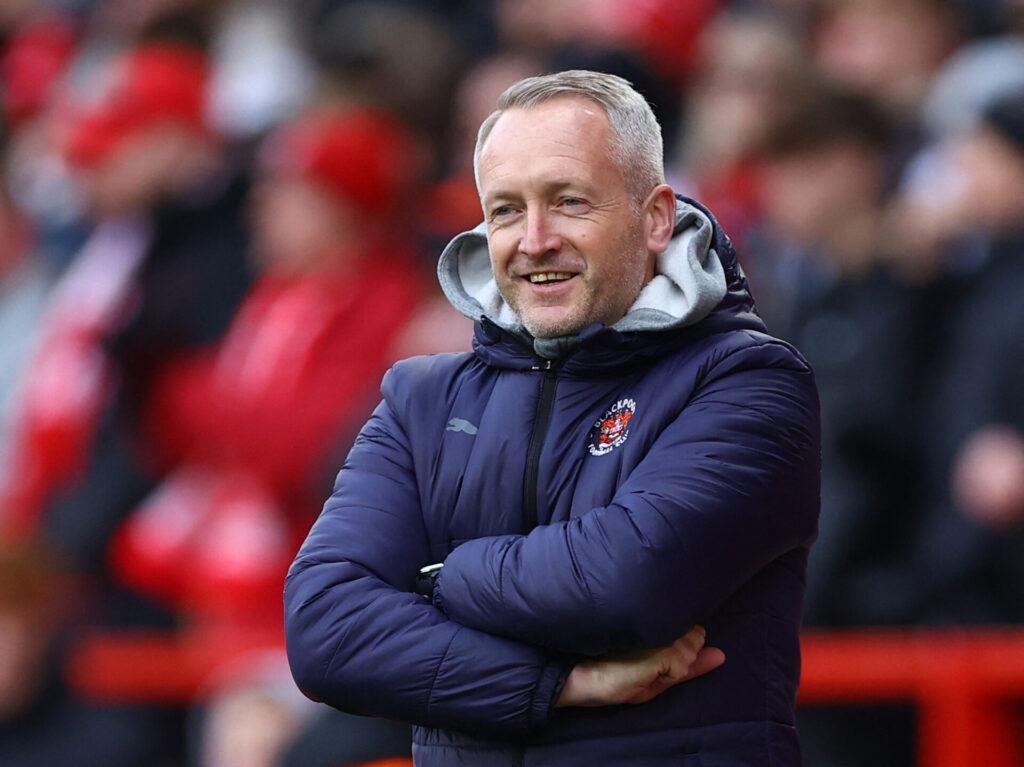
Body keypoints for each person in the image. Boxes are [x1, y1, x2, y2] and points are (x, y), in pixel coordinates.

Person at [284, 70, 820, 766]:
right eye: (505, 210)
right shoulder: (421, 399)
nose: (534, 239)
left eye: (568, 201)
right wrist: (561, 683)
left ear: (655, 216)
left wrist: (438, 577)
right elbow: (324, 631)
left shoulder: (749, 380)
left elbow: (626, 584)